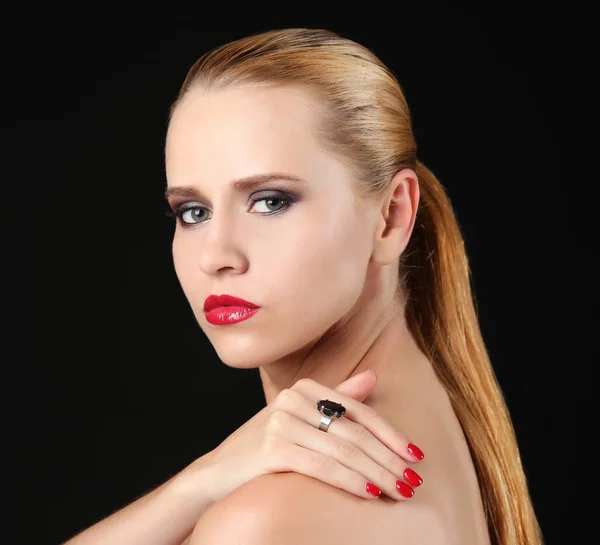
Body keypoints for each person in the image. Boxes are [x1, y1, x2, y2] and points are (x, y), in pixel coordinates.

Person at [63, 28, 542, 545]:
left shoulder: (268, 521)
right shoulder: (439, 419)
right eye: (193, 211)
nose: (217, 256)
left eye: (270, 201)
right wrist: (200, 482)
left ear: (391, 217)